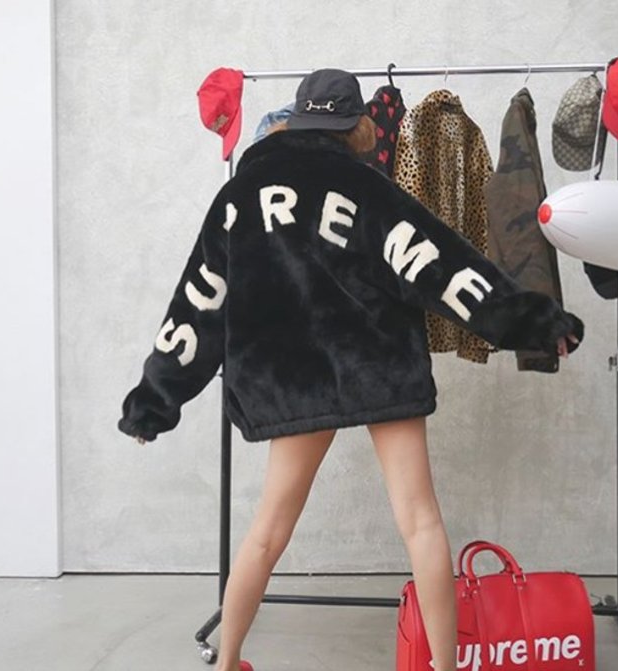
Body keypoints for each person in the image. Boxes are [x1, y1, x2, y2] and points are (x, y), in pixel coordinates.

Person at [118, 69, 583, 671]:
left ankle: (229, 662)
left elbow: (199, 302)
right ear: (354, 124)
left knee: (266, 533)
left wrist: (154, 403)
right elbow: (443, 268)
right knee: (420, 521)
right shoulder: (368, 189)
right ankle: (443, 668)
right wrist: (533, 322)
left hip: (293, 378)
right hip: (377, 367)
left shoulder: (240, 196)